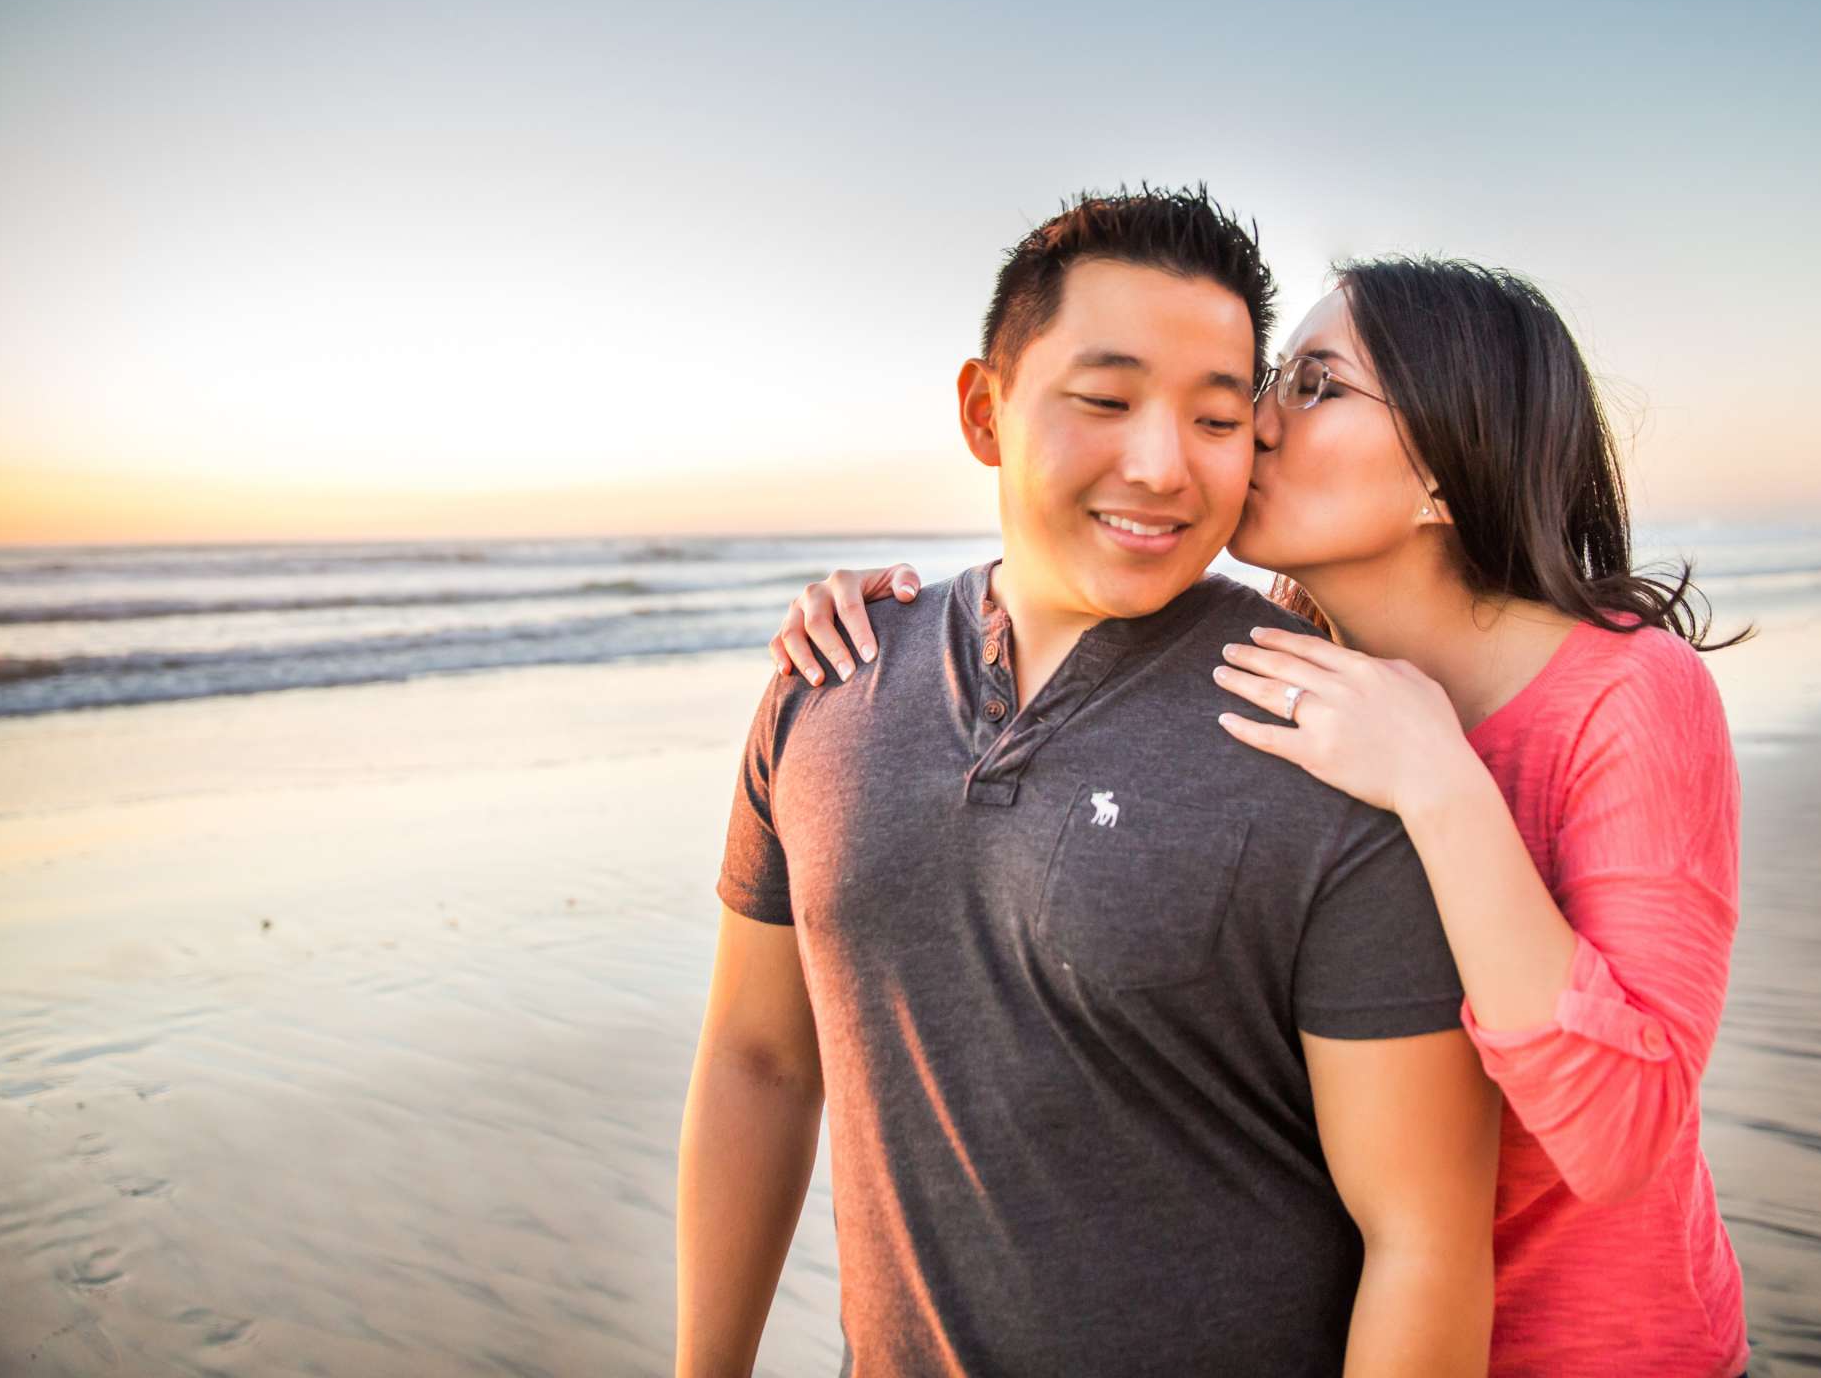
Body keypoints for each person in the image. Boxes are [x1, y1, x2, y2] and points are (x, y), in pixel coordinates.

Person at [778, 255, 1755, 1377]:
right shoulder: (1283, 673)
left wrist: (1440, 783)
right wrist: (884, 629)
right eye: (1272, 379)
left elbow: (1623, 1136)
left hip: (1594, 1351)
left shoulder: (1628, 696)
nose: (1259, 420)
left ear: (1450, 466)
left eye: (1316, 385)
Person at [677, 188, 1501, 1378]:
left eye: (1218, 420)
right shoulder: (829, 675)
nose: (1161, 464)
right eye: (1106, 401)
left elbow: (1421, 1236)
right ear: (986, 409)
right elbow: (760, 1060)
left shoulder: (1328, 734)